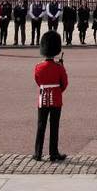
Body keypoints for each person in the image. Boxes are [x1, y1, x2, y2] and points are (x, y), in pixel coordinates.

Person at [33, 31, 68, 162]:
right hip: (56, 99)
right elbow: (64, 83)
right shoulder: (59, 67)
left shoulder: (38, 67)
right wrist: (58, 91)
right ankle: (53, 153)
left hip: (42, 99)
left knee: (41, 126)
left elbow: (37, 81)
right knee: (54, 126)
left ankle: (38, 153)